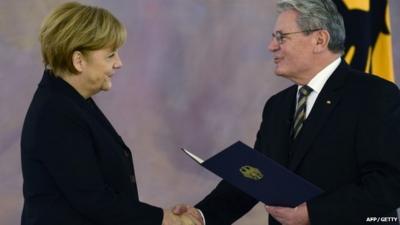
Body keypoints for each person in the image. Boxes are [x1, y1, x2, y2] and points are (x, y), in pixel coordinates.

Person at [174, 0, 400, 224]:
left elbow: (390, 183)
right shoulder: (277, 106)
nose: (271, 46)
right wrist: (201, 216)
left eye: (281, 37)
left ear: (319, 40)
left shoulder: (374, 96)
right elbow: (254, 178)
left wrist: (313, 213)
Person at [20, 2, 201, 225]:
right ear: (78, 61)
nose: (119, 63)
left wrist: (162, 216)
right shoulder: (57, 114)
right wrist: (165, 220)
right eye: (110, 55)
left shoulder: (70, 101)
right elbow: (95, 201)